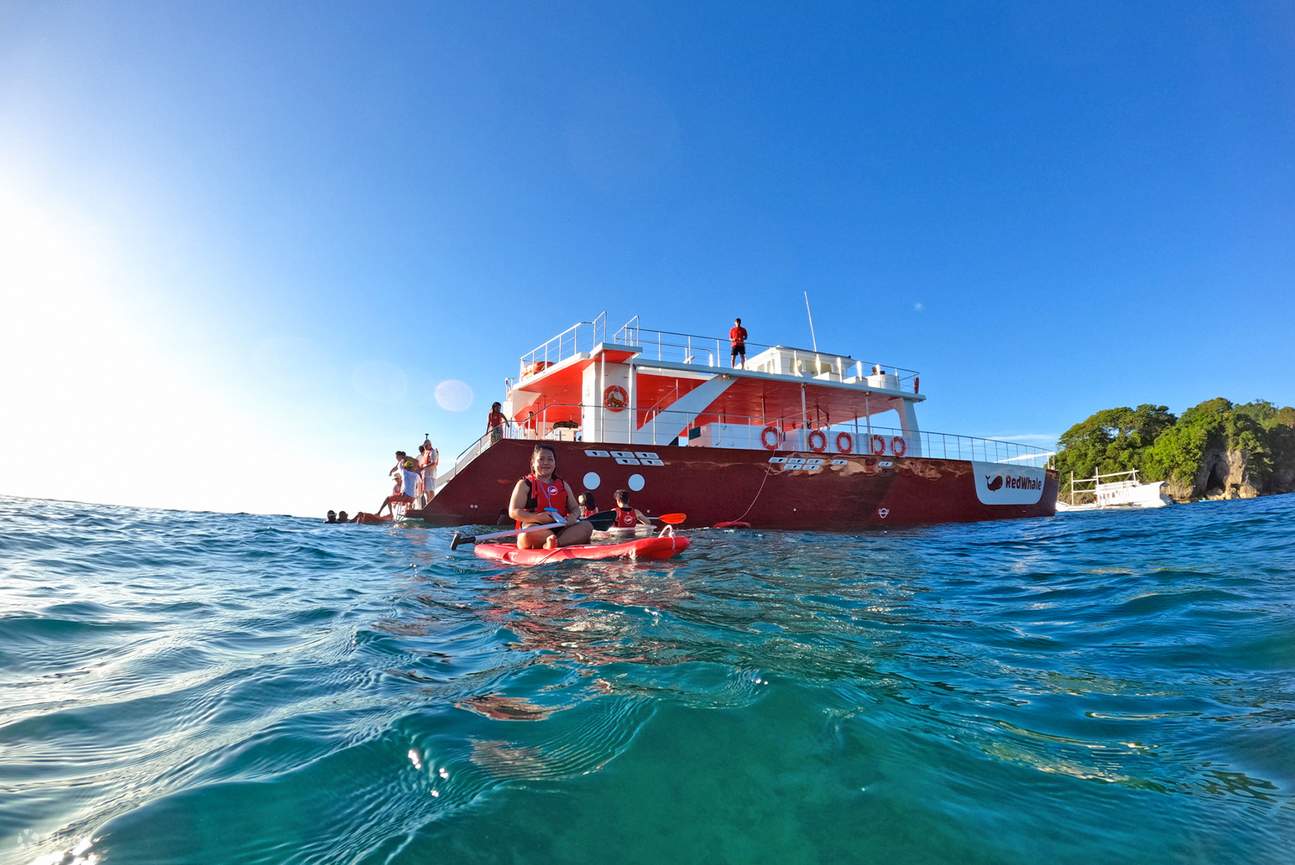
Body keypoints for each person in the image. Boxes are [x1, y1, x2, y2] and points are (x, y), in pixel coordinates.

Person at [507, 444, 593, 549]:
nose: (546, 463)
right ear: (533, 463)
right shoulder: (524, 484)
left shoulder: (563, 485)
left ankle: (556, 543)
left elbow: (575, 509)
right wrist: (538, 518)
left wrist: (572, 517)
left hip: (561, 528)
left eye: (550, 459)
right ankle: (556, 541)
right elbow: (513, 511)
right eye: (541, 459)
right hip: (535, 527)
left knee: (587, 526)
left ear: (555, 464)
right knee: (527, 535)